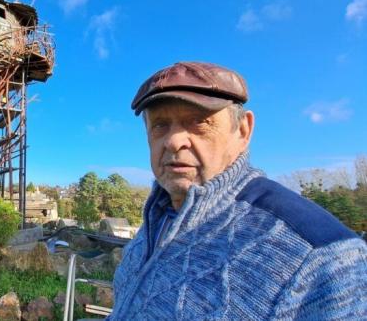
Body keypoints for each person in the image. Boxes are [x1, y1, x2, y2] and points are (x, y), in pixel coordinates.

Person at [108, 61, 367, 320]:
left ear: (243, 131)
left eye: (199, 122)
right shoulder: (156, 218)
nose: (174, 141)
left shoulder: (324, 254)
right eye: (160, 125)